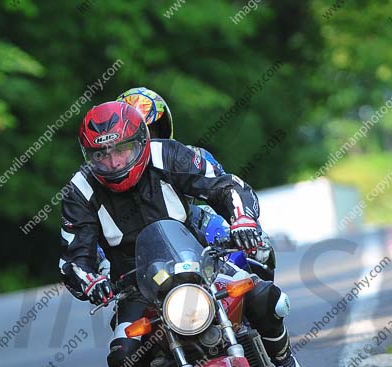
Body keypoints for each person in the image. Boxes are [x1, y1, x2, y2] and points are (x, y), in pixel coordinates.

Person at [58, 101, 310, 367]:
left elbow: (225, 185)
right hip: (135, 287)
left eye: (123, 149)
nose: (114, 163)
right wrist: (92, 281)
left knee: (265, 296)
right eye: (102, 155)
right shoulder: (79, 191)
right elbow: (75, 255)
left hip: (199, 264)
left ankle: (286, 364)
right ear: (88, 155)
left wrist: (243, 220)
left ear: (141, 141)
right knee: (122, 357)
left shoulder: (171, 156)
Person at [116, 87, 276, 278]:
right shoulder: (103, 177)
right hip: (138, 256)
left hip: (192, 234)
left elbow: (223, 189)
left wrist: (244, 225)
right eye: (133, 134)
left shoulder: (188, 155)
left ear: (162, 129)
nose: (143, 140)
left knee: (260, 250)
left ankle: (261, 301)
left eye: (148, 130)